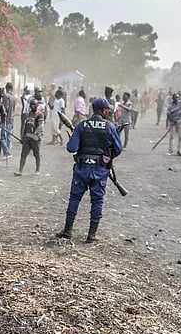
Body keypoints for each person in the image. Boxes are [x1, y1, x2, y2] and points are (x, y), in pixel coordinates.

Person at [55, 98, 123, 243]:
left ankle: (67, 231)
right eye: (107, 109)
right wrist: (107, 156)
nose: (109, 111)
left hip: (82, 169)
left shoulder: (81, 125)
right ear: (103, 110)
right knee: (97, 201)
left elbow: (71, 148)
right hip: (99, 170)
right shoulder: (110, 127)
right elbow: (118, 149)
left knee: (74, 199)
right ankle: (91, 235)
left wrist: (74, 139)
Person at [15, 99, 44, 176]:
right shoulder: (28, 114)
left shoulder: (39, 114)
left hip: (35, 138)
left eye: (34, 104)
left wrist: (34, 134)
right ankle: (20, 170)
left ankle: (37, 170)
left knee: (36, 154)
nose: (32, 106)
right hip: (27, 137)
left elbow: (39, 126)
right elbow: (25, 125)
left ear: (37, 105)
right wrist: (23, 137)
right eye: (31, 104)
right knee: (23, 154)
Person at [0, 83, 16, 160]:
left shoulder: (6, 96)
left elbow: (6, 108)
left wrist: (1, 105)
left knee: (2, 137)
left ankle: (7, 152)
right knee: (9, 137)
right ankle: (7, 152)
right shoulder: (14, 97)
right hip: (12, 119)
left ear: (7, 88)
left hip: (5, 119)